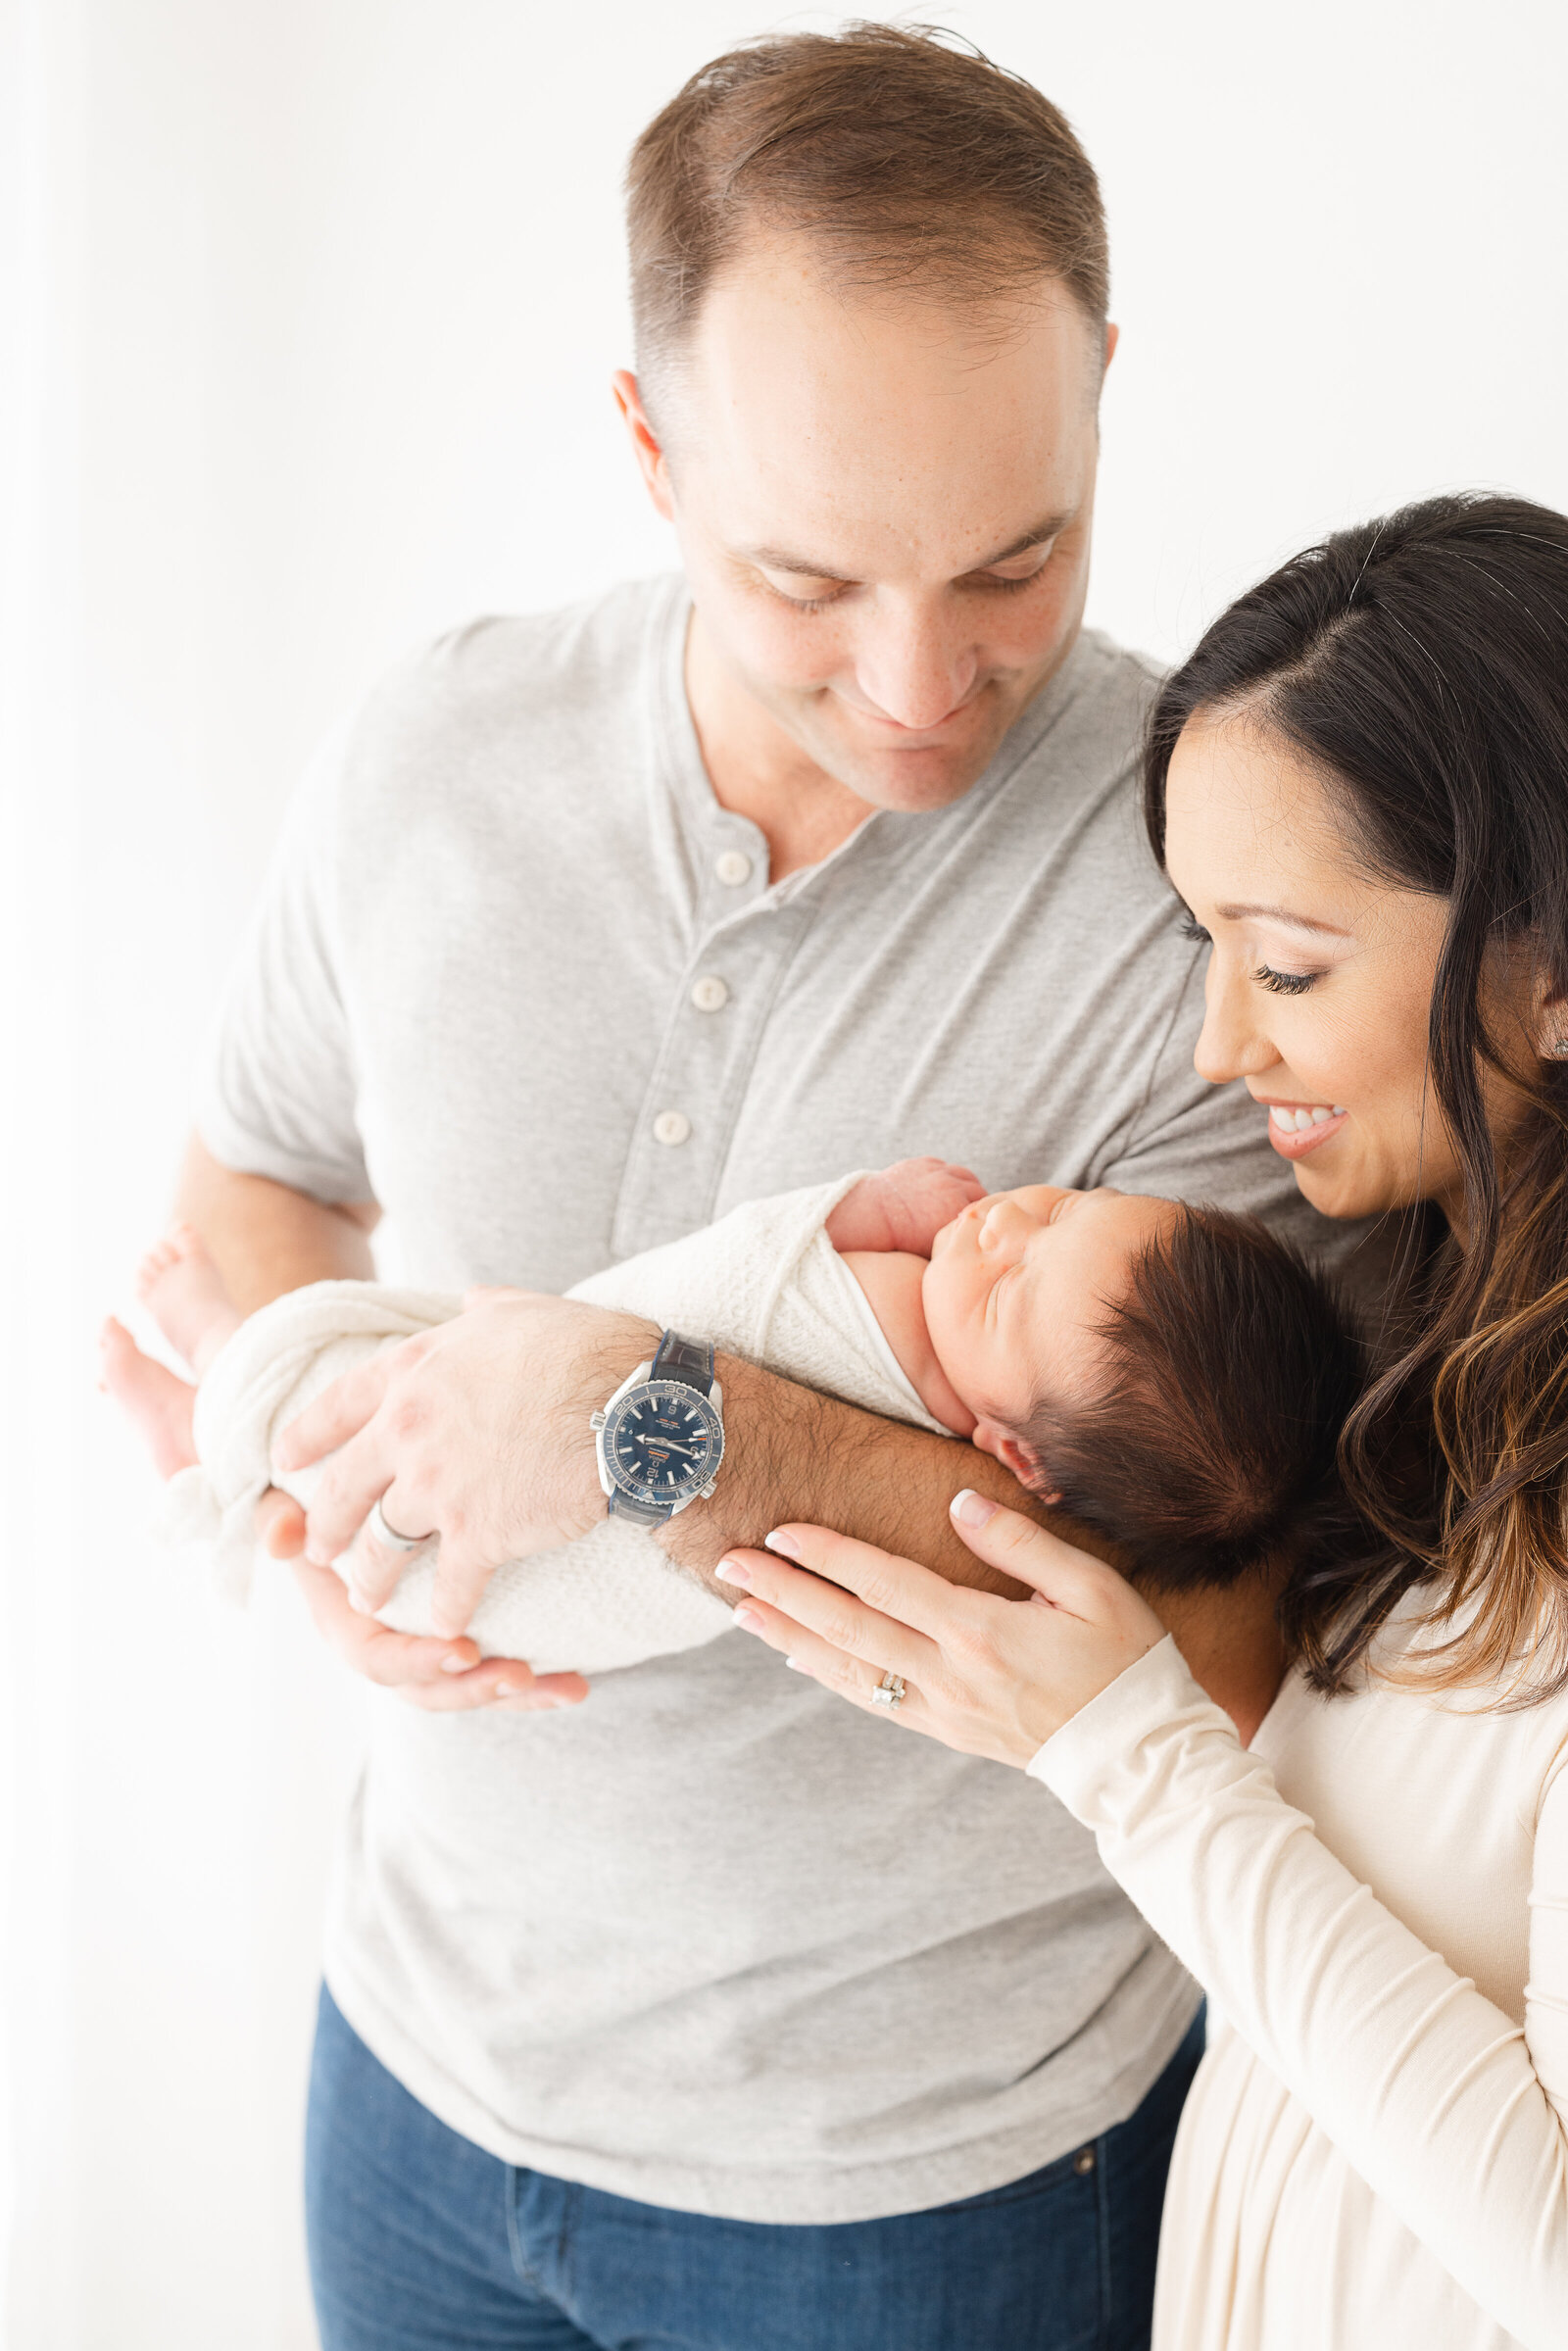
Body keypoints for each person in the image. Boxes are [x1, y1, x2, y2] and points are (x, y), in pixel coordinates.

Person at [167, 25, 1380, 2351]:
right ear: (645, 444)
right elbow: (251, 1169)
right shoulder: (434, 748)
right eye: (805, 574)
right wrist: (310, 1491)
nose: (922, 681)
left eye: (1014, 555)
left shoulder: (1216, 904)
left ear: (1102, 393)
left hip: (927, 2180)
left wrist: (652, 1410)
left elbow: (1215, 1615)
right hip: (412, 2073)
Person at [711, 494, 1568, 2349]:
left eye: (1286, 965)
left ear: (1552, 966)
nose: (1214, 1049)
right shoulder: (1434, 1348)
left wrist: (1133, 1757)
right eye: (1203, 947)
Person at [107, 1159, 1360, 1670]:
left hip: (528, 1562)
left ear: (1015, 1450)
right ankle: (221, 1464)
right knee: (389, 1399)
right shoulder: (969, 1346)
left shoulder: (894, 1343)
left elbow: (742, 1291)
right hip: (432, 1946)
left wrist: (852, 1209)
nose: (1005, 1221)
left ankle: (218, 1374)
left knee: (334, 1378)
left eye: (1021, 1277)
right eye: (1072, 1201)